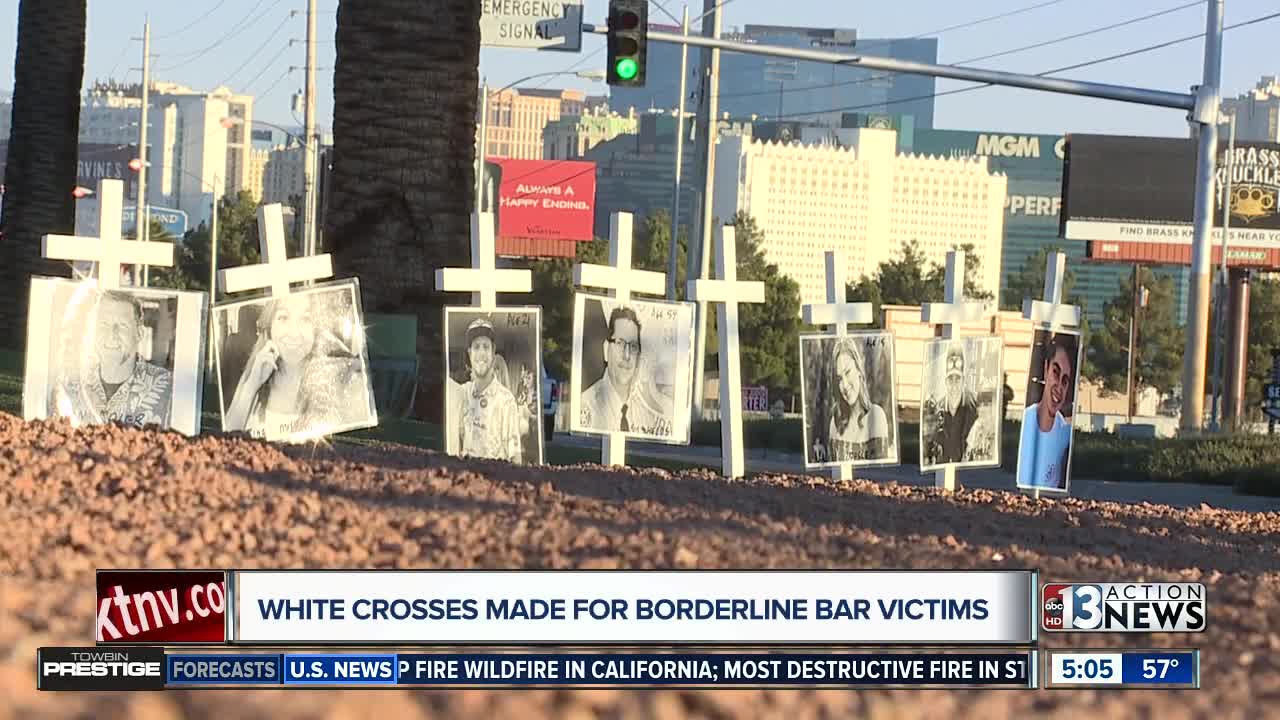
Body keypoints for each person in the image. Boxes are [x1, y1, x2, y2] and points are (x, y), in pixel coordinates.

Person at [224, 293, 355, 441]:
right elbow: (225, 437)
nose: (294, 333)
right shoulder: (257, 369)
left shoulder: (328, 377)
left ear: (315, 330)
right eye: (283, 318)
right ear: (269, 327)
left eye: (306, 319)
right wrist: (252, 384)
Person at [55, 290, 172, 427]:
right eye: (104, 325)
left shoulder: (167, 387)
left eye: (122, 326)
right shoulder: (70, 385)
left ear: (139, 333)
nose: (112, 335)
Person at [580, 306, 670, 435]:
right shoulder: (586, 406)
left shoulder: (646, 412)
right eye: (620, 343)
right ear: (606, 349)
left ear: (638, 357)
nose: (627, 355)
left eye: (633, 346)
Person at [455, 317, 522, 463]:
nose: (481, 353)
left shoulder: (506, 400)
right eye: (476, 347)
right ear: (469, 353)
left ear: (493, 352)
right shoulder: (461, 394)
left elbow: (515, 457)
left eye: (486, 347)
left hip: (494, 481)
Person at [1017, 333, 1077, 489]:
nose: (1058, 387)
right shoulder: (1025, 422)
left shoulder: (1065, 433)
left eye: (1065, 381)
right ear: (1045, 369)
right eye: (1055, 373)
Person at [827, 339, 889, 462]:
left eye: (848, 372)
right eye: (839, 378)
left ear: (859, 371)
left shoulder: (876, 416)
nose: (844, 385)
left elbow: (881, 472)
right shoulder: (835, 422)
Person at [925, 342, 982, 465]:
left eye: (958, 379)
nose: (954, 385)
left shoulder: (973, 407)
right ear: (945, 382)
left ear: (963, 381)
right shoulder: (939, 408)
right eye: (950, 379)